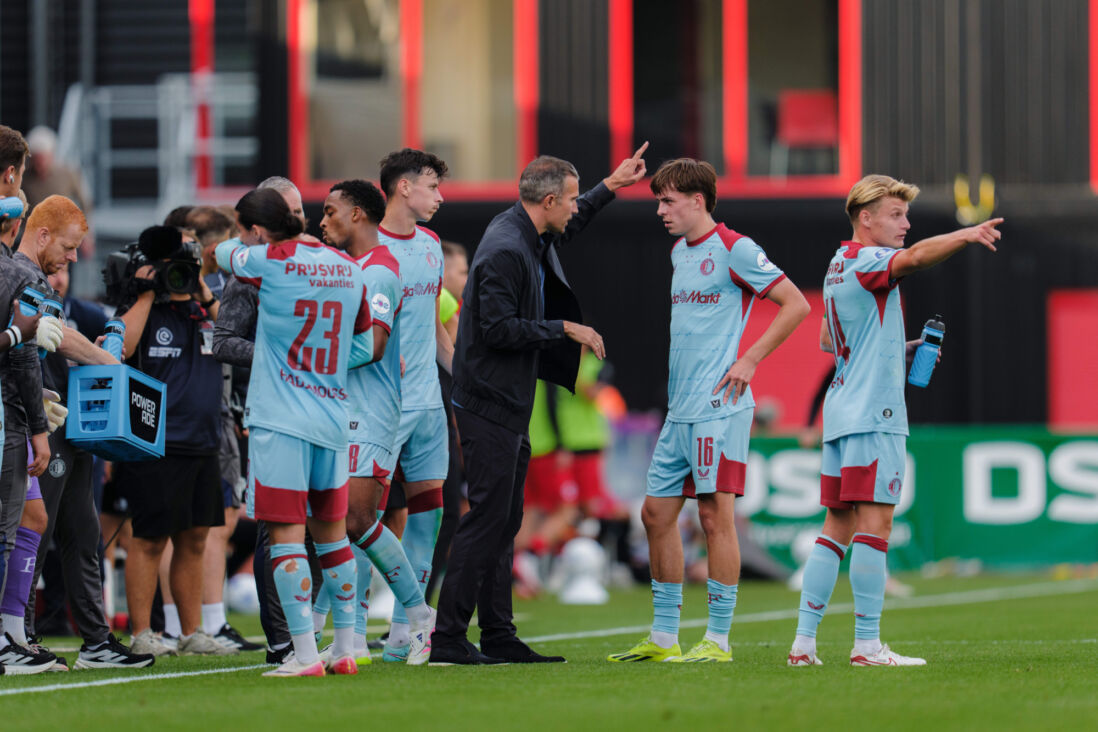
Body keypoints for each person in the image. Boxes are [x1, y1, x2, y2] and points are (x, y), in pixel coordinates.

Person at [430, 145, 648, 665]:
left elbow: (570, 227)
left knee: (505, 518)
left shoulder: (528, 231)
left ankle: (498, 634)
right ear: (548, 199)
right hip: (488, 400)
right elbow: (496, 328)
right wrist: (564, 328)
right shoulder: (507, 248)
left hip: (507, 398)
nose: (575, 209)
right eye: (571, 199)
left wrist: (609, 186)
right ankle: (447, 639)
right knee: (488, 519)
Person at [787, 175, 1001, 668]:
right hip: (874, 413)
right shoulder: (869, 260)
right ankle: (866, 646)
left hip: (840, 411)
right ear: (866, 218)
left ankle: (803, 644)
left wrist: (891, 349)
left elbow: (828, 340)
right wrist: (966, 235)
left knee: (834, 528)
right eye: (896, 215)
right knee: (875, 526)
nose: (905, 225)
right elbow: (919, 258)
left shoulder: (838, 264)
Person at [608, 158, 809, 664]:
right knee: (655, 514)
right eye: (658, 200)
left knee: (716, 517)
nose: (660, 210)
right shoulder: (680, 252)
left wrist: (750, 359)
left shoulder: (736, 248)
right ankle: (663, 636)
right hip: (680, 412)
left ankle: (717, 640)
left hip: (720, 409)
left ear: (698, 201)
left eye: (668, 201)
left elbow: (796, 304)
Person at [215, 187, 377, 677]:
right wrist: (320, 368)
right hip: (332, 417)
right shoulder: (348, 268)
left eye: (247, 230)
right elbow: (367, 343)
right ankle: (345, 649)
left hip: (280, 421)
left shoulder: (268, 262)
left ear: (257, 231)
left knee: (285, 537)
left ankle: (304, 656)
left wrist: (283, 360)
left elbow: (224, 254)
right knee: (332, 538)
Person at [315, 178, 435, 665]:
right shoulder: (352, 268)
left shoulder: (380, 270)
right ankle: (348, 639)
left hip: (373, 413)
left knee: (358, 519)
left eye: (330, 212)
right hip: (343, 410)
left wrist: (312, 358)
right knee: (334, 523)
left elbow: (374, 346)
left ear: (358, 214)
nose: (323, 222)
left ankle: (421, 618)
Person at [116, 224, 228, 658]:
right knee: (149, 538)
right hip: (155, 440)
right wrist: (146, 293)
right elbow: (119, 349)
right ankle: (143, 632)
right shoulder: (142, 306)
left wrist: (202, 290)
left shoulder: (203, 309)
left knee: (196, 538)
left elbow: (238, 337)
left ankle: (190, 631)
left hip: (204, 439)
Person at [374, 148, 454, 663]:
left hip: (429, 407)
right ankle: (350, 629)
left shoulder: (430, 246)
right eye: (432, 186)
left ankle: (406, 630)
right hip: (381, 407)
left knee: (430, 516)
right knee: (364, 516)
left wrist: (467, 384)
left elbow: (434, 327)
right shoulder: (368, 249)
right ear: (404, 187)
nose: (440, 197)